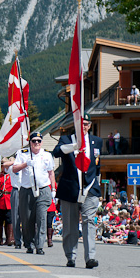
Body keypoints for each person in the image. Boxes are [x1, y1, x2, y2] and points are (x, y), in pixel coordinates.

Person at [52, 114, 102, 268]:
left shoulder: (97, 141)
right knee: (70, 224)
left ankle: (90, 258)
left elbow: (98, 165)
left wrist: (98, 186)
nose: (84, 127)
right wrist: (74, 147)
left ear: (90, 125)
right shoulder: (67, 140)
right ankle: (71, 256)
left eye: (86, 124)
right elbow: (56, 152)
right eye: (81, 124)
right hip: (70, 187)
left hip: (90, 187)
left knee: (89, 222)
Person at [13, 131, 55, 255]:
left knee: (42, 218)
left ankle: (40, 245)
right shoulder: (22, 154)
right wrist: (26, 164)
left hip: (43, 189)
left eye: (39, 141)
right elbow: (14, 169)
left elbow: (51, 173)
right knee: (27, 219)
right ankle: (29, 243)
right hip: (27, 189)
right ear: (30, 143)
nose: (36, 143)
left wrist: (53, 189)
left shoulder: (47, 155)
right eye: (34, 141)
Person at [0, 157, 14, 246]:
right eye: (3, 166)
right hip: (0, 200)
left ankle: (9, 239)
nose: (4, 168)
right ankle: (0, 239)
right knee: (0, 221)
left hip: (8, 200)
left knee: (9, 220)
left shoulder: (11, 175)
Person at [5, 157, 22, 248]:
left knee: (28, 218)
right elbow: (4, 165)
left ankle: (30, 240)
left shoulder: (26, 166)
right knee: (15, 218)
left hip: (26, 190)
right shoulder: (12, 168)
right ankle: (17, 240)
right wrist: (16, 162)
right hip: (16, 190)